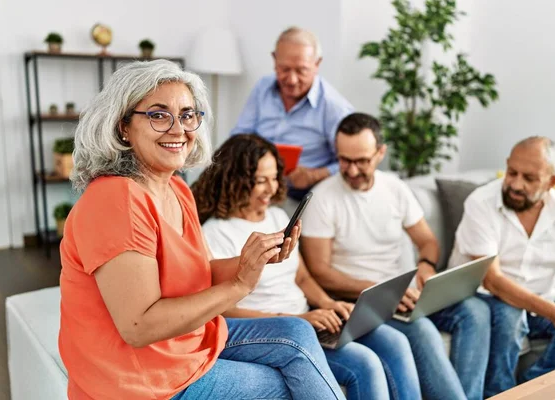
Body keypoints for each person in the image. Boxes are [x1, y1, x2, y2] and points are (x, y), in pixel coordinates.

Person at [58, 59, 345, 400]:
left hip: (184, 345)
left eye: (188, 114)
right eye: (158, 115)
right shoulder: (115, 198)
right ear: (123, 126)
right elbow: (138, 326)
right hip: (140, 380)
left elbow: (202, 274)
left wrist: (253, 261)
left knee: (296, 332)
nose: (178, 129)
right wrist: (241, 284)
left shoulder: (177, 190)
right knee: (285, 385)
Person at [192, 133, 422, 400]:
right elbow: (226, 308)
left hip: (308, 319)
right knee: (366, 364)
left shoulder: (277, 216)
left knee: (393, 341)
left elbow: (301, 277)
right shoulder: (216, 233)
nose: (271, 188)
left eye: (275, 177)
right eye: (260, 181)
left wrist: (327, 304)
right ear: (235, 181)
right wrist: (299, 321)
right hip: (279, 332)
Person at [301, 112, 492, 400]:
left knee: (476, 312)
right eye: (344, 160)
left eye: (361, 161)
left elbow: (427, 241)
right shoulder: (323, 199)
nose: (351, 170)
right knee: (423, 330)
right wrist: (381, 290)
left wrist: (426, 266)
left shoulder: (394, 188)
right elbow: (320, 271)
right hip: (361, 300)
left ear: (380, 153)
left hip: (403, 292)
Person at [450, 136, 555, 397]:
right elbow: (492, 280)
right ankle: (499, 393)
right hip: (489, 297)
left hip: (543, 299)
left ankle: (529, 389)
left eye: (529, 178)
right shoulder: (481, 203)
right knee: (510, 318)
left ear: (552, 181)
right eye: (512, 172)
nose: (516, 184)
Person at [230, 26, 354, 206]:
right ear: (274, 60)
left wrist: (315, 175)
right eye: (284, 69)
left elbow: (350, 163)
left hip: (304, 194)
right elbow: (239, 138)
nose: (292, 79)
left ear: (317, 64)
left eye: (301, 70)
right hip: (255, 185)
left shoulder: (335, 107)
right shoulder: (262, 88)